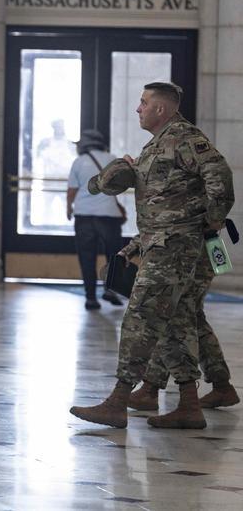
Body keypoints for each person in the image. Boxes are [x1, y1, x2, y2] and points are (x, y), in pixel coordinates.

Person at [70, 81, 235, 430]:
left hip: (175, 248)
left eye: (144, 103)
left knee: (139, 318)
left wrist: (207, 223)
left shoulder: (185, 139)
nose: (138, 108)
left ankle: (118, 399)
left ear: (161, 109)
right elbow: (161, 207)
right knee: (176, 323)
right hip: (161, 244)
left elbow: (219, 177)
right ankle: (189, 404)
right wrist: (136, 244)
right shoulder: (156, 146)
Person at [127, 246, 240, 411]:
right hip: (198, 250)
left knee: (173, 314)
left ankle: (150, 389)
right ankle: (222, 385)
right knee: (192, 317)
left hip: (192, 253)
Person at [66, 129, 126, 310]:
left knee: (87, 257)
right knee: (113, 255)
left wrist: (69, 207)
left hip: (84, 216)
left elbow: (72, 190)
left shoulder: (79, 162)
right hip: (109, 216)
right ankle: (110, 289)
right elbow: (119, 186)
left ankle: (90, 298)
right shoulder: (113, 159)